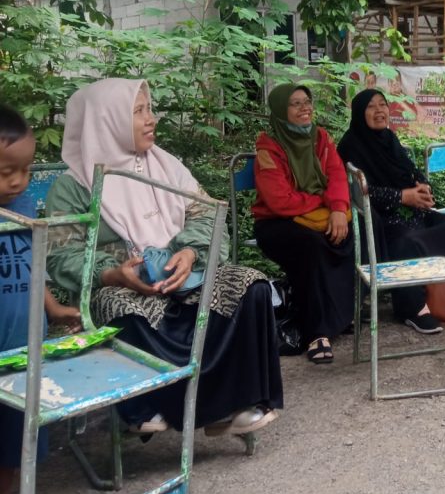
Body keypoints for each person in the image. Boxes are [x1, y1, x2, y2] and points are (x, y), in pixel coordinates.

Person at [45, 79, 283, 435]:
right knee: (117, 305)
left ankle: (238, 401)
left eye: (149, 109)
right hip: (124, 285)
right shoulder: (74, 186)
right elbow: (61, 255)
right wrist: (112, 273)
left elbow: (208, 215)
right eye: (138, 111)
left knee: (251, 286)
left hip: (187, 275)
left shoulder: (167, 166)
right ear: (107, 121)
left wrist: (190, 252)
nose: (151, 119)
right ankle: (155, 406)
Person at [0, 104, 81, 494]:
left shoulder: (26, 207)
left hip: (23, 346)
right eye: (5, 172)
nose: (17, 180)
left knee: (17, 429)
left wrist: (54, 309)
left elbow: (31, 269)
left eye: (25, 170)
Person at [337, 89, 445, 335]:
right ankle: (412, 307)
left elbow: (412, 171)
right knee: (406, 239)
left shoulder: (390, 139)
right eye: (371, 106)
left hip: (409, 209)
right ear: (359, 113)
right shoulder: (351, 145)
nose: (379, 111)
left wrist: (422, 187)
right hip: (378, 217)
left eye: (382, 104)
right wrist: (402, 197)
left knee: (444, 224)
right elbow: (360, 192)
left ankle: (444, 294)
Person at [253, 83, 354, 365]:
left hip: (318, 216)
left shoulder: (320, 138)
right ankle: (316, 332)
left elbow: (336, 175)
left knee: (347, 234)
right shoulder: (269, 147)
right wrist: (323, 202)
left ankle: (339, 317)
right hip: (276, 223)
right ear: (280, 110)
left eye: (307, 101)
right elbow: (279, 200)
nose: (304, 108)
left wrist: (338, 208)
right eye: (295, 103)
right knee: (311, 246)